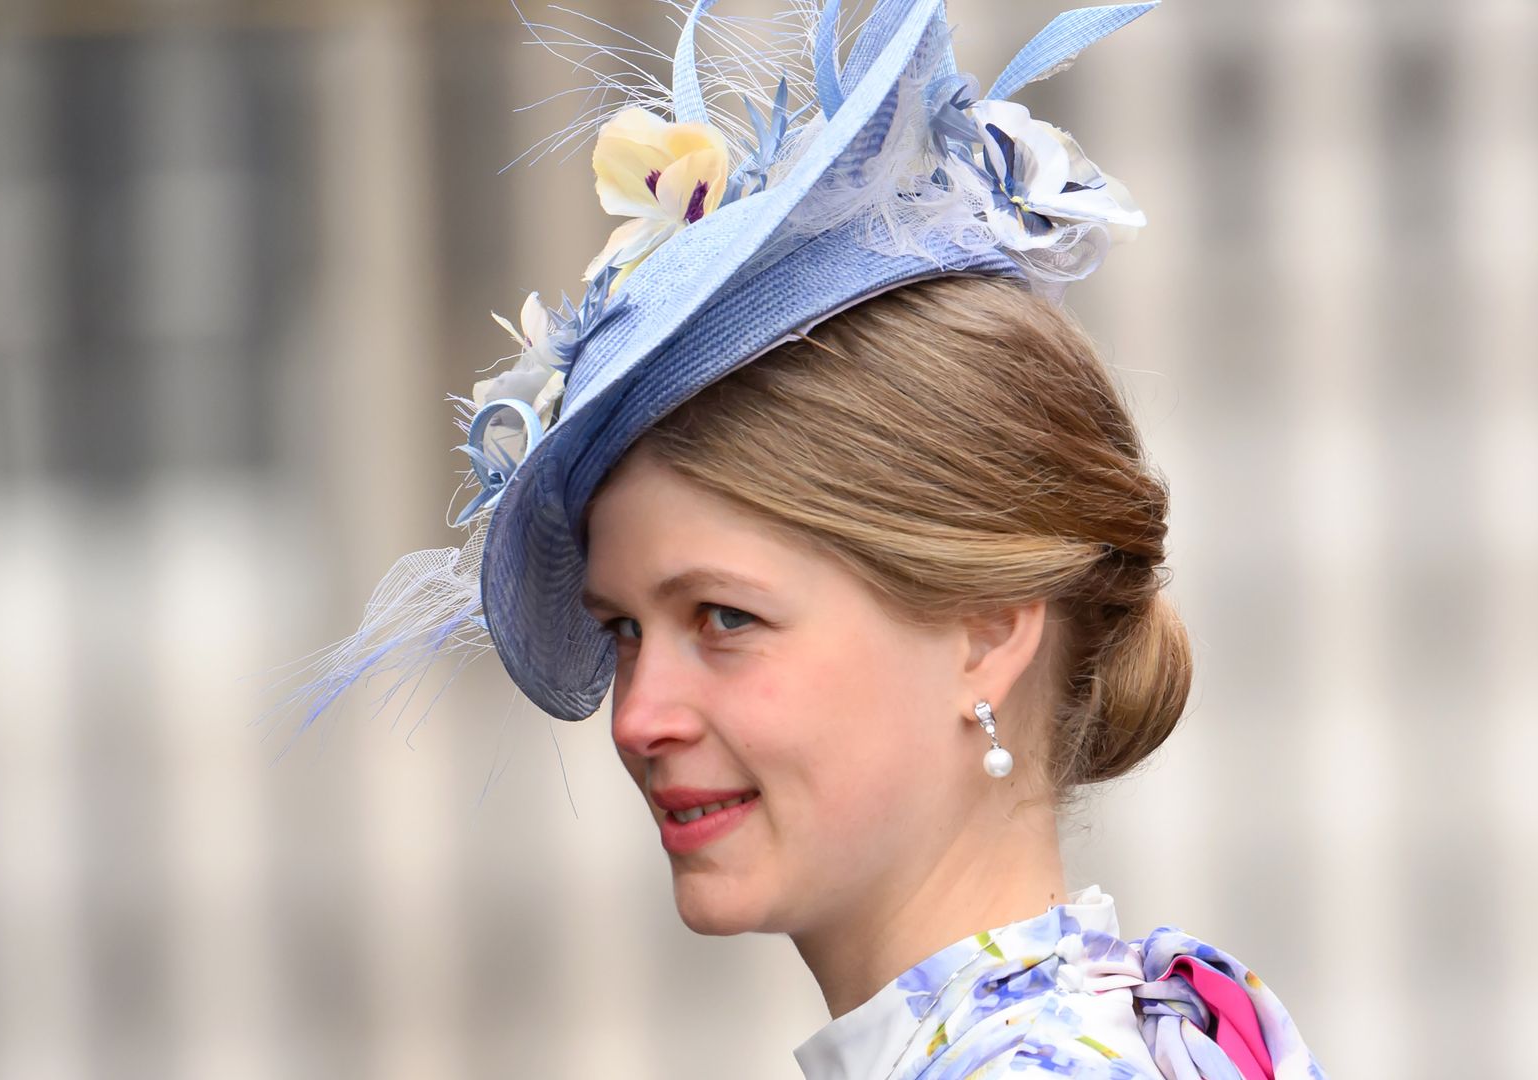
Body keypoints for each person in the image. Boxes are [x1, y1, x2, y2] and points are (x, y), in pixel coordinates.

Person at [277, 2, 1330, 1076]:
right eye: (624, 631)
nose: (638, 717)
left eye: (724, 617)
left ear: (988, 625)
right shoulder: (1135, 1025)